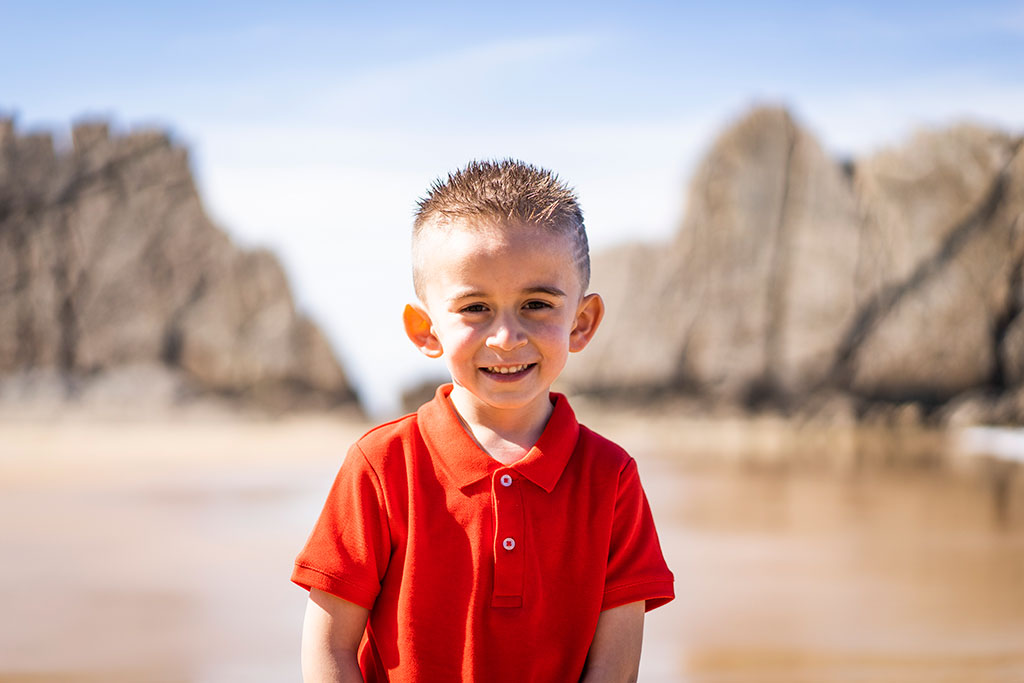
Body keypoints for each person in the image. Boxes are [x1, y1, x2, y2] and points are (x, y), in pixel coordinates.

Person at [293, 160, 674, 682]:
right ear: (426, 329)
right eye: (475, 308)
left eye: (536, 304)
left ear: (581, 322)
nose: (506, 338)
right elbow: (328, 648)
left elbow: (615, 668)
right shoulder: (382, 465)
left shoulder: (610, 478)